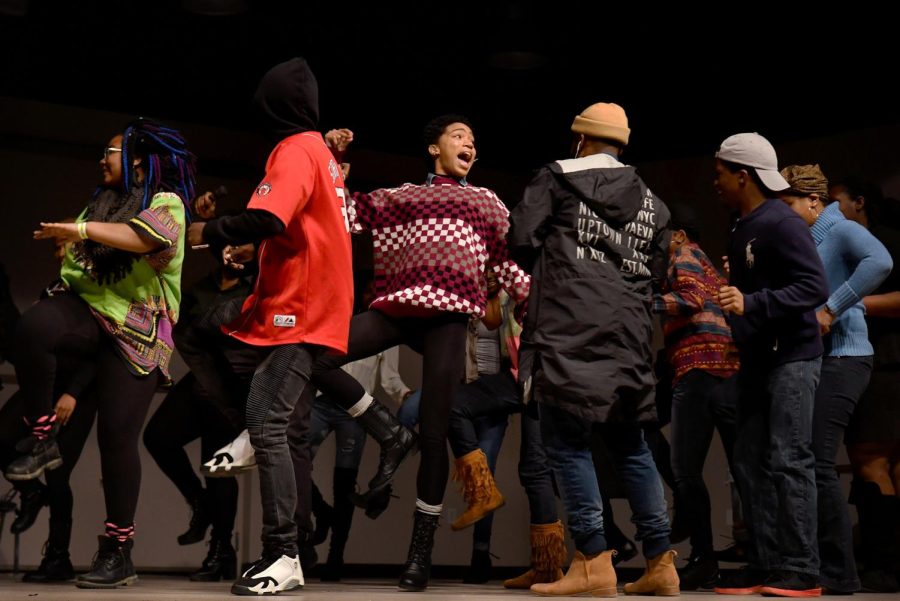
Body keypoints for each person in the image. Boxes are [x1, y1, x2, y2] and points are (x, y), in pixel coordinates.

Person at [309, 114, 531, 591]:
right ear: (434, 148)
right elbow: (343, 212)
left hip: (449, 320)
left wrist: (536, 302)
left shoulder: (487, 203)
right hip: (399, 309)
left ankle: (419, 556)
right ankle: (387, 429)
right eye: (458, 136)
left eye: (473, 139)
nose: (469, 143)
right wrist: (334, 159)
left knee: (435, 433)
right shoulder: (403, 196)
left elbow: (505, 263)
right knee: (316, 354)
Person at [6, 118, 196, 588]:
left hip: (138, 334)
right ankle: (43, 437)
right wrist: (72, 244)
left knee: (116, 440)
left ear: (135, 158)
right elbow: (76, 270)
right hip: (91, 316)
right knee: (33, 327)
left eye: (109, 151)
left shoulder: (164, 201)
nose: (101, 159)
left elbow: (145, 238)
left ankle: (118, 550)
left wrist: (82, 230)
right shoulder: (100, 203)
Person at [188, 57, 353, 596]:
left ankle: (284, 554)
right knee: (249, 380)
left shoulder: (294, 149)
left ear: (272, 107)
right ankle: (254, 440)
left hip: (303, 309)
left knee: (268, 418)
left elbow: (269, 217)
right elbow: (296, 228)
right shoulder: (322, 153)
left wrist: (204, 232)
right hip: (309, 302)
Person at [509, 102, 678, 597]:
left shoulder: (556, 178)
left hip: (567, 327)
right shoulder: (653, 201)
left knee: (565, 441)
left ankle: (592, 560)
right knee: (631, 444)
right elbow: (658, 269)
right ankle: (661, 562)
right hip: (626, 333)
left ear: (580, 140)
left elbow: (521, 237)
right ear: (620, 145)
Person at [712, 134, 828, 597]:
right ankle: (765, 563)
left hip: (793, 359)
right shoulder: (742, 226)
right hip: (760, 359)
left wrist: (752, 300)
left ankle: (802, 568)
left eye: (719, 173)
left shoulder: (782, 221)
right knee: (748, 460)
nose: (715, 181)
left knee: (788, 458)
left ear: (742, 175)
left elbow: (814, 286)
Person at [778, 164, 891, 594]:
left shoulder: (838, 228)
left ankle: (841, 571)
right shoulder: (804, 239)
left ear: (813, 201)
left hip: (847, 357)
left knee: (817, 461)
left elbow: (881, 261)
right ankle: (821, 565)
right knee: (805, 459)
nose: (784, 213)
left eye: (789, 204)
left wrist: (834, 307)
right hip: (820, 360)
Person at [652, 203, 740, 590]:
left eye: (663, 237)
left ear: (680, 235)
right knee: (743, 469)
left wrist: (642, 303)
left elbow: (688, 299)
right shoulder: (713, 268)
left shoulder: (683, 255)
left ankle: (703, 557)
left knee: (685, 470)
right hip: (726, 368)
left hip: (697, 366)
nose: (659, 245)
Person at [830, 177, 900, 592]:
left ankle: (883, 566)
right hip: (882, 363)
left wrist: (845, 302)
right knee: (886, 465)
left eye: (836, 204)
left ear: (860, 202)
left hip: (883, 364)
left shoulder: (881, 244)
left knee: (872, 463)